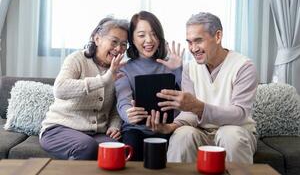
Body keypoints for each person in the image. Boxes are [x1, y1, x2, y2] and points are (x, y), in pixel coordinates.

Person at [147, 12, 257, 164]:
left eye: (198, 41)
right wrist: (170, 126)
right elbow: (190, 115)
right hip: (201, 131)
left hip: (237, 130)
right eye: (189, 42)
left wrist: (199, 107)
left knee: (230, 136)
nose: (193, 48)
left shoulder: (244, 66)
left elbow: (240, 114)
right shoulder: (189, 68)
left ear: (218, 36)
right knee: (182, 135)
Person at [39, 17, 129, 160]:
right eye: (114, 41)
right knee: (87, 146)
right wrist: (105, 79)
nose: (119, 48)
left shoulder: (119, 71)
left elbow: (115, 108)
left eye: (124, 44)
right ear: (97, 39)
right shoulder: (77, 59)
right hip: (58, 129)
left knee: (116, 151)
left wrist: (114, 126)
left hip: (96, 133)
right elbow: (60, 89)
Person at [115, 11, 184, 161]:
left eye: (154, 34)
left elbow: (188, 99)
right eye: (141, 35)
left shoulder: (171, 65)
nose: (149, 40)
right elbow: (123, 100)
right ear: (132, 39)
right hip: (135, 129)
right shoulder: (123, 69)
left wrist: (178, 69)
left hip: (167, 127)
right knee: (131, 154)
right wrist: (129, 113)